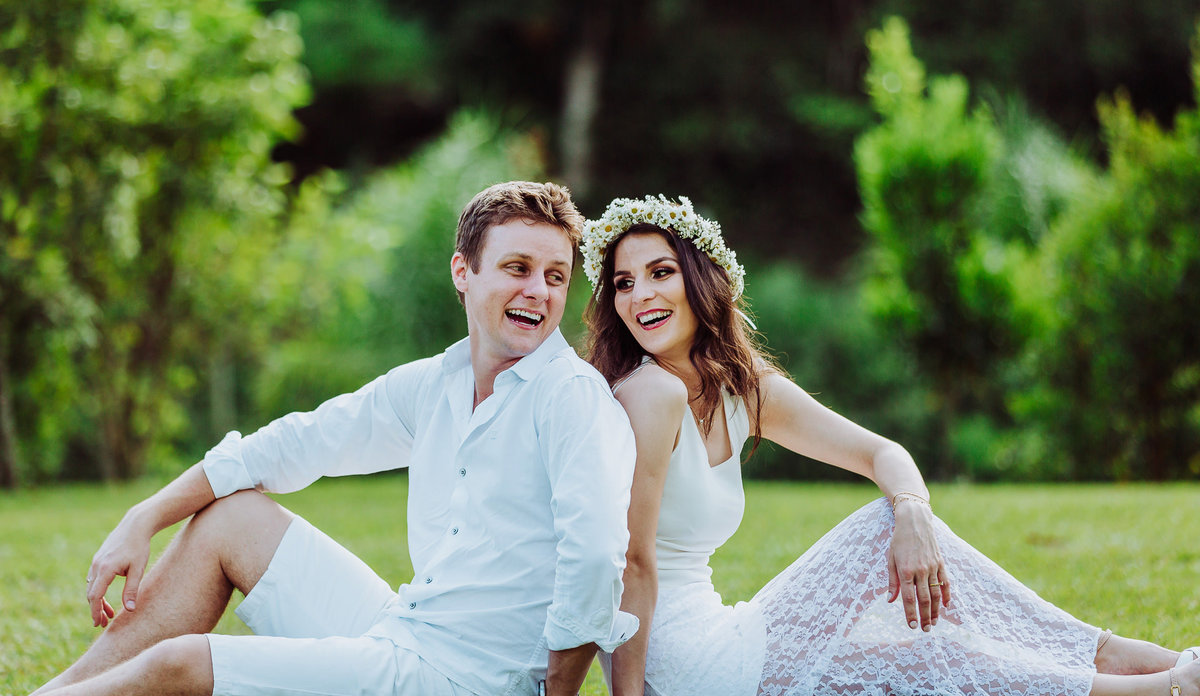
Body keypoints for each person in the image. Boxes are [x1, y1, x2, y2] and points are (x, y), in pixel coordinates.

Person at [33, 181, 638, 696]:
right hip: (408, 627)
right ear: (464, 271)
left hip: (465, 681)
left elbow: (594, 559)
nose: (540, 290)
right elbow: (298, 442)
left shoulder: (569, 398)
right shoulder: (436, 383)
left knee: (181, 663)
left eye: (556, 276)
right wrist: (147, 515)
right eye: (518, 268)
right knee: (231, 518)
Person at [580, 194, 1200, 696]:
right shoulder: (649, 394)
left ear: (699, 281)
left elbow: (883, 454)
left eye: (660, 273)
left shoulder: (744, 389)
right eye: (623, 283)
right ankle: (1140, 669)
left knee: (922, 649)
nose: (640, 297)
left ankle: (1152, 676)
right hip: (680, 666)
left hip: (721, 636)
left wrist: (914, 514)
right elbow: (628, 563)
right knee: (883, 534)